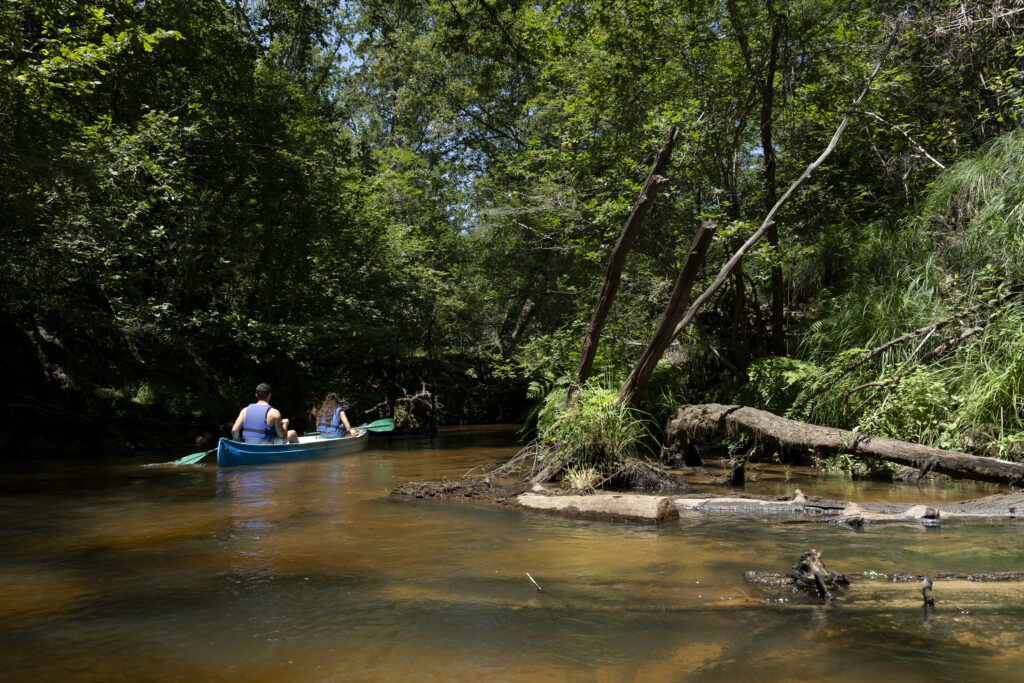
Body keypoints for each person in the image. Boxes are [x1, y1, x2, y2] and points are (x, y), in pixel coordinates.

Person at [231, 383, 299, 444]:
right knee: (293, 433)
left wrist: (237, 440)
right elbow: (281, 434)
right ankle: (297, 457)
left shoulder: (244, 410)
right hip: (266, 447)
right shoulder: (274, 412)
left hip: (248, 446)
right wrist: (285, 424)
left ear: (256, 395)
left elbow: (234, 430)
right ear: (269, 395)